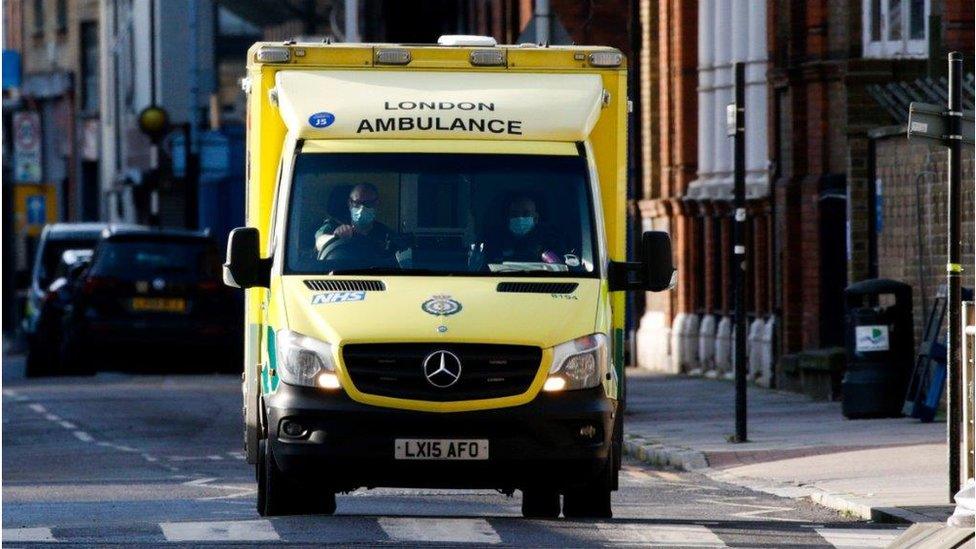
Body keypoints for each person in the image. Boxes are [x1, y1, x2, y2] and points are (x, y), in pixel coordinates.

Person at [314, 183, 399, 260]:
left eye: (368, 203)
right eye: (357, 203)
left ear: (376, 204)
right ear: (349, 203)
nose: (362, 208)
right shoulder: (334, 224)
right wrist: (335, 237)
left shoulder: (385, 233)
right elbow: (319, 241)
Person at [480, 195, 566, 265]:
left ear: (535, 218)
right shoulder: (495, 239)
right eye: (514, 214)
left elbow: (557, 265)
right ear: (508, 218)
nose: (520, 217)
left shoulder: (550, 239)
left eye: (526, 213)